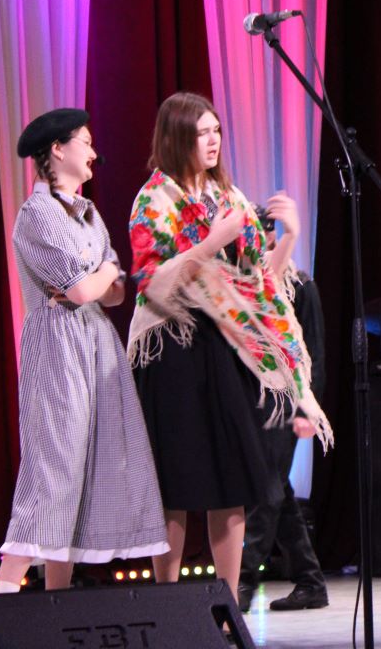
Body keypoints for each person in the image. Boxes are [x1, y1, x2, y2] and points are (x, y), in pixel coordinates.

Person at [126, 91, 332, 602]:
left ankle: (227, 601)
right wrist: (211, 243)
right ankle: (168, 604)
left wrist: (290, 236)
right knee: (174, 485)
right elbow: (153, 283)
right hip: (173, 349)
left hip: (224, 351)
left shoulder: (230, 197)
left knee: (230, 483)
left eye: (216, 130)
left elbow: (261, 286)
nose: (213, 140)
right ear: (177, 139)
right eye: (202, 132)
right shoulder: (154, 199)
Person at [0, 108, 168, 594]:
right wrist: (102, 274)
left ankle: (59, 604)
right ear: (57, 149)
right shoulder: (37, 214)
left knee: (91, 470)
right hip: (57, 346)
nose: (93, 152)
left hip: (97, 342)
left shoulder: (89, 214)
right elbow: (85, 288)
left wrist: (100, 278)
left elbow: (112, 293)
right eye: (85, 142)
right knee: (54, 470)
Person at [236, 259, 330, 613]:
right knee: (277, 490)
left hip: (288, 399)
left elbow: (314, 352)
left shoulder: (300, 285)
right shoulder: (245, 284)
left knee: (267, 489)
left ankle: (242, 580)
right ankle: (310, 580)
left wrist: (308, 410)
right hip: (255, 401)